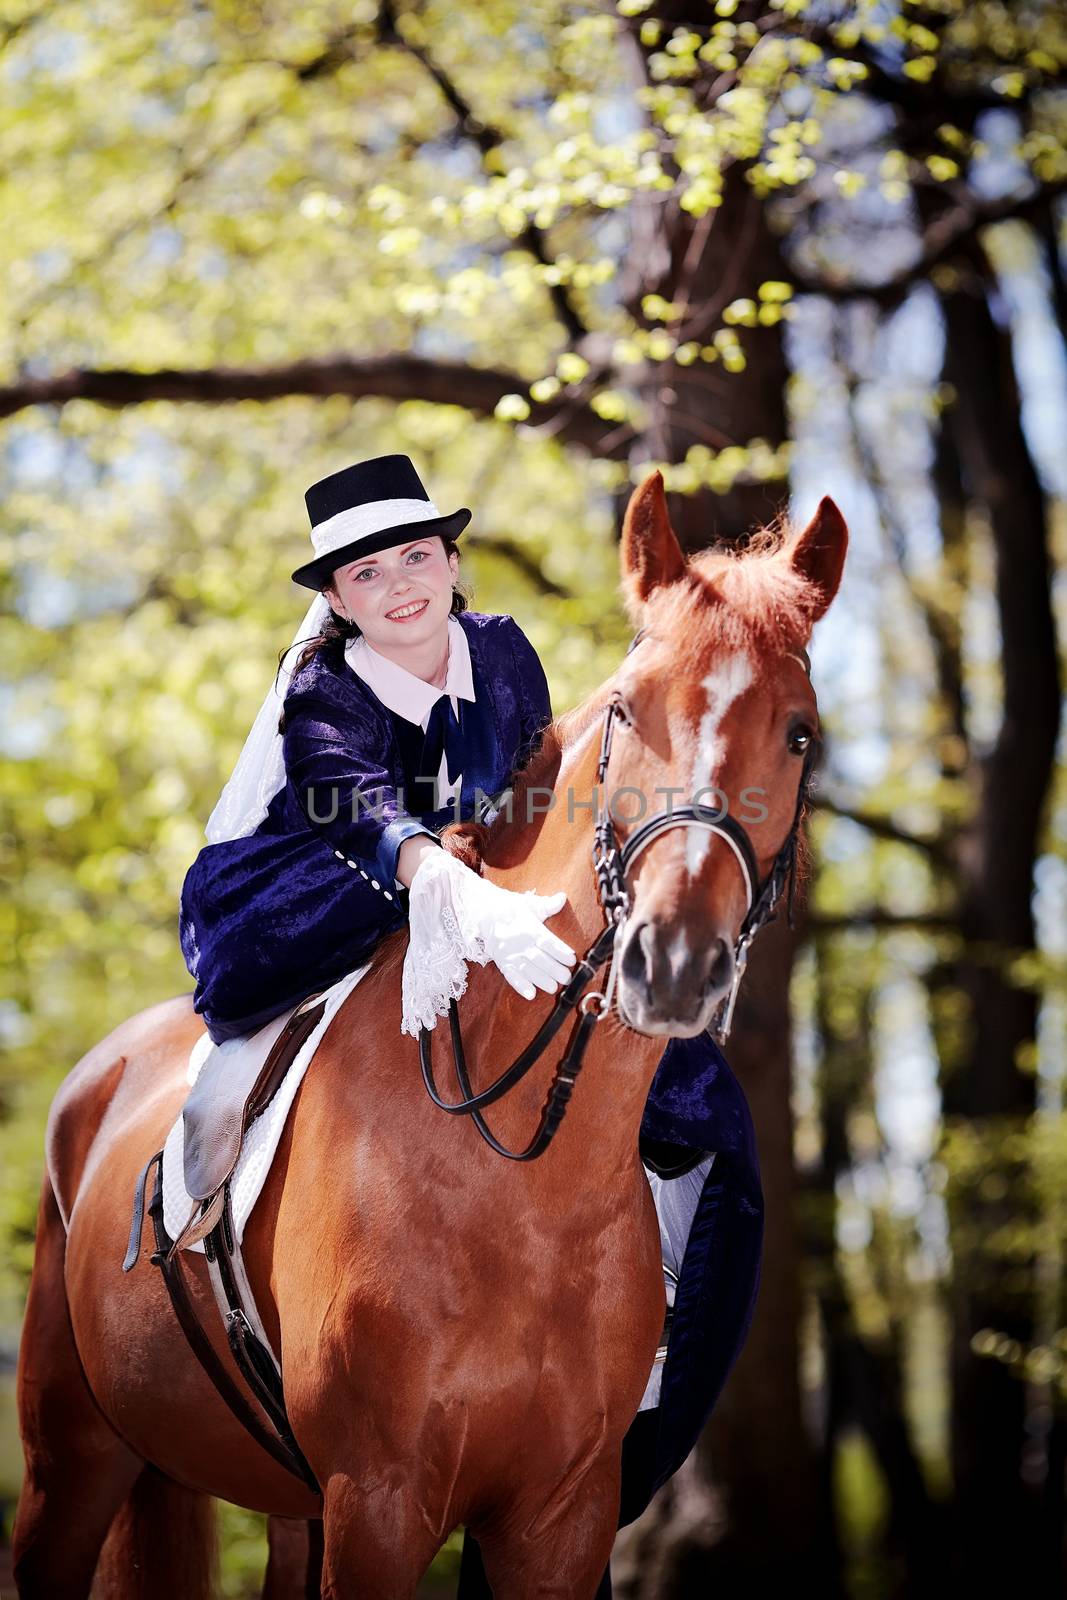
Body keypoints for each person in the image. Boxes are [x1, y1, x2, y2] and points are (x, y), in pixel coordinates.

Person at [178, 454, 764, 1587]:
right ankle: (202, 1200)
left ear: (449, 560)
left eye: (415, 555)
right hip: (325, 882)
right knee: (255, 1046)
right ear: (337, 598)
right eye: (366, 570)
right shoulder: (319, 691)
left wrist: (544, 887)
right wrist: (443, 885)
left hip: (486, 874)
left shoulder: (501, 649)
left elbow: (536, 785)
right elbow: (360, 809)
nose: (398, 584)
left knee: (698, 1099)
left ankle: (651, 1336)